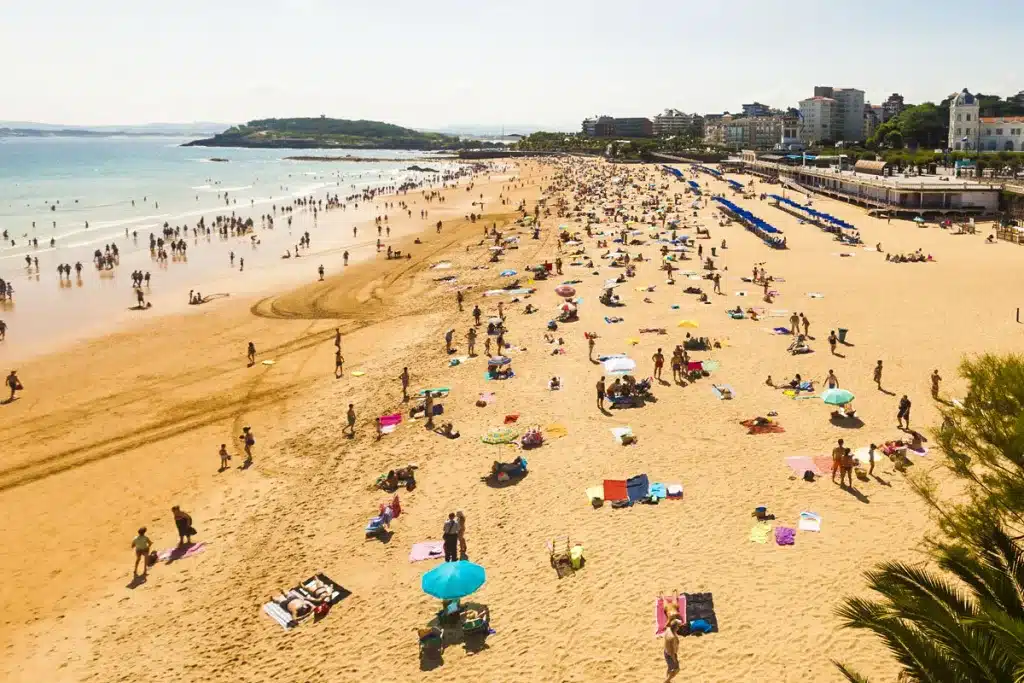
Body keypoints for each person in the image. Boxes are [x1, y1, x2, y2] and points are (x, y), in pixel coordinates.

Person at [663, 616, 681, 681]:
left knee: (670, 667)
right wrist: (674, 659)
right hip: (670, 655)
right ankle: (666, 681)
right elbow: (672, 651)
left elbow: (667, 625)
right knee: (677, 669)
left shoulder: (668, 629)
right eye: (678, 626)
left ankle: (667, 679)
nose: (679, 627)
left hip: (666, 651)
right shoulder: (672, 638)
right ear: (675, 627)